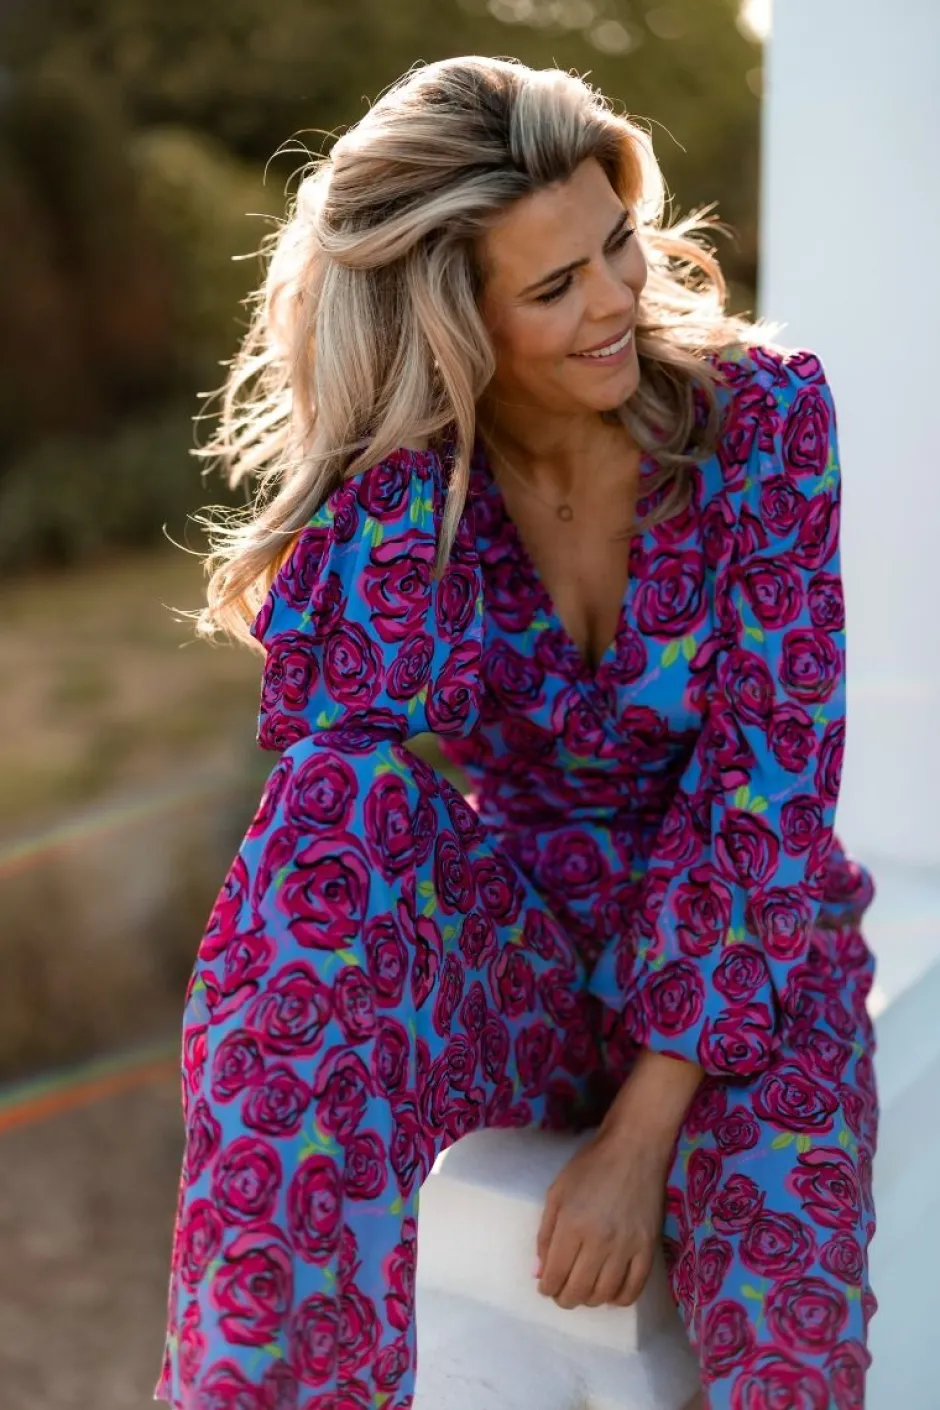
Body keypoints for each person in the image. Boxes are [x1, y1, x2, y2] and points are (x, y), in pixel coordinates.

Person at [155, 55, 878, 1410]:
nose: (615, 300)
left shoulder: (768, 420)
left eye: (616, 242)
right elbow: (332, 740)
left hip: (755, 959)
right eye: (553, 287)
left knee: (789, 1348)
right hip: (530, 954)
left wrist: (637, 1143)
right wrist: (401, 456)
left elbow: (771, 783)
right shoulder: (425, 483)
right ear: (454, 322)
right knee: (330, 806)